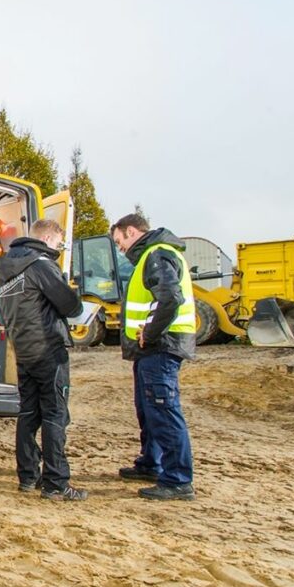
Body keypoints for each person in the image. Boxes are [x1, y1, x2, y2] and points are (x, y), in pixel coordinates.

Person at [0, 219, 87, 501]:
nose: (58, 248)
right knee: (55, 414)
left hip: (23, 349)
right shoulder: (42, 265)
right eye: (58, 243)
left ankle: (27, 476)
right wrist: (74, 292)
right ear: (47, 237)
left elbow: (2, 312)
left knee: (28, 413)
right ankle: (56, 482)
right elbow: (71, 306)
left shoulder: (3, 270)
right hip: (49, 348)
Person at [110, 214, 196, 500]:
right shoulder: (150, 255)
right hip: (148, 349)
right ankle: (151, 462)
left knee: (163, 409)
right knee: (147, 409)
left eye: (119, 241)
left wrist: (152, 331)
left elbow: (170, 297)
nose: (120, 248)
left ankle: (177, 480)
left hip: (161, 346)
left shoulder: (157, 254)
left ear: (131, 231)